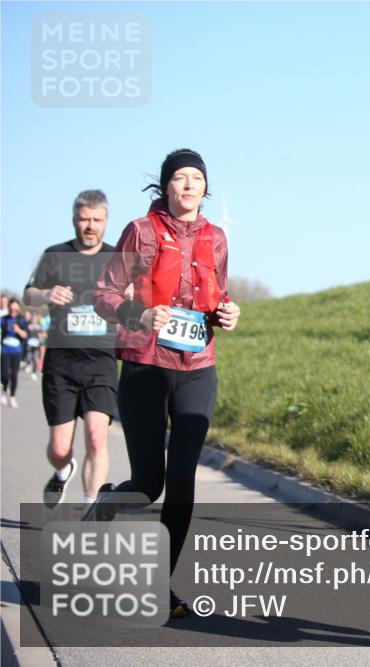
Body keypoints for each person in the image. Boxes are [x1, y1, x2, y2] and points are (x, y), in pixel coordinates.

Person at [87, 149, 241, 619]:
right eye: (180, 178)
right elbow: (103, 294)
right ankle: (109, 501)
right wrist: (139, 313)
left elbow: (219, 293)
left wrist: (228, 312)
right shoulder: (141, 231)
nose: (189, 185)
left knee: (181, 480)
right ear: (165, 185)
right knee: (149, 484)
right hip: (145, 365)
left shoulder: (216, 237)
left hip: (198, 367)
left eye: (197, 178)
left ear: (205, 188)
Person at [24, 190, 119, 508]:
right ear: (74, 220)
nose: (90, 226)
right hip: (61, 363)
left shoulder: (116, 259)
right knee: (59, 448)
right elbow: (28, 295)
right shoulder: (55, 255)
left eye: (97, 220)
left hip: (101, 361)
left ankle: (90, 507)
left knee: (96, 436)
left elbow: (136, 296)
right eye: (84, 219)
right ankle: (63, 470)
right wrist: (46, 294)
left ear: (106, 220)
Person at [1, 299, 29, 408]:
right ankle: (4, 391)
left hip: (16, 351)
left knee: (14, 375)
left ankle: (12, 396)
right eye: (11, 308)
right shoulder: (4, 319)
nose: (13, 310)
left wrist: (18, 330)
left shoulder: (21, 320)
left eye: (15, 308)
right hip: (5, 350)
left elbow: (25, 335)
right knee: (4, 374)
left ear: (18, 308)